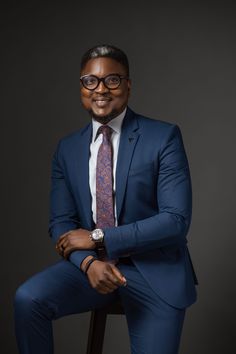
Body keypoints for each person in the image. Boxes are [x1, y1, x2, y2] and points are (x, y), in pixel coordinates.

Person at [14, 44, 198, 354]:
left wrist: (98, 238)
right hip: (92, 269)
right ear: (82, 87)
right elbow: (61, 223)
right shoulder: (67, 148)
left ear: (128, 85)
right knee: (28, 300)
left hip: (154, 271)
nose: (101, 89)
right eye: (91, 80)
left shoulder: (163, 137)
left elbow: (175, 222)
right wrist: (87, 263)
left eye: (112, 80)